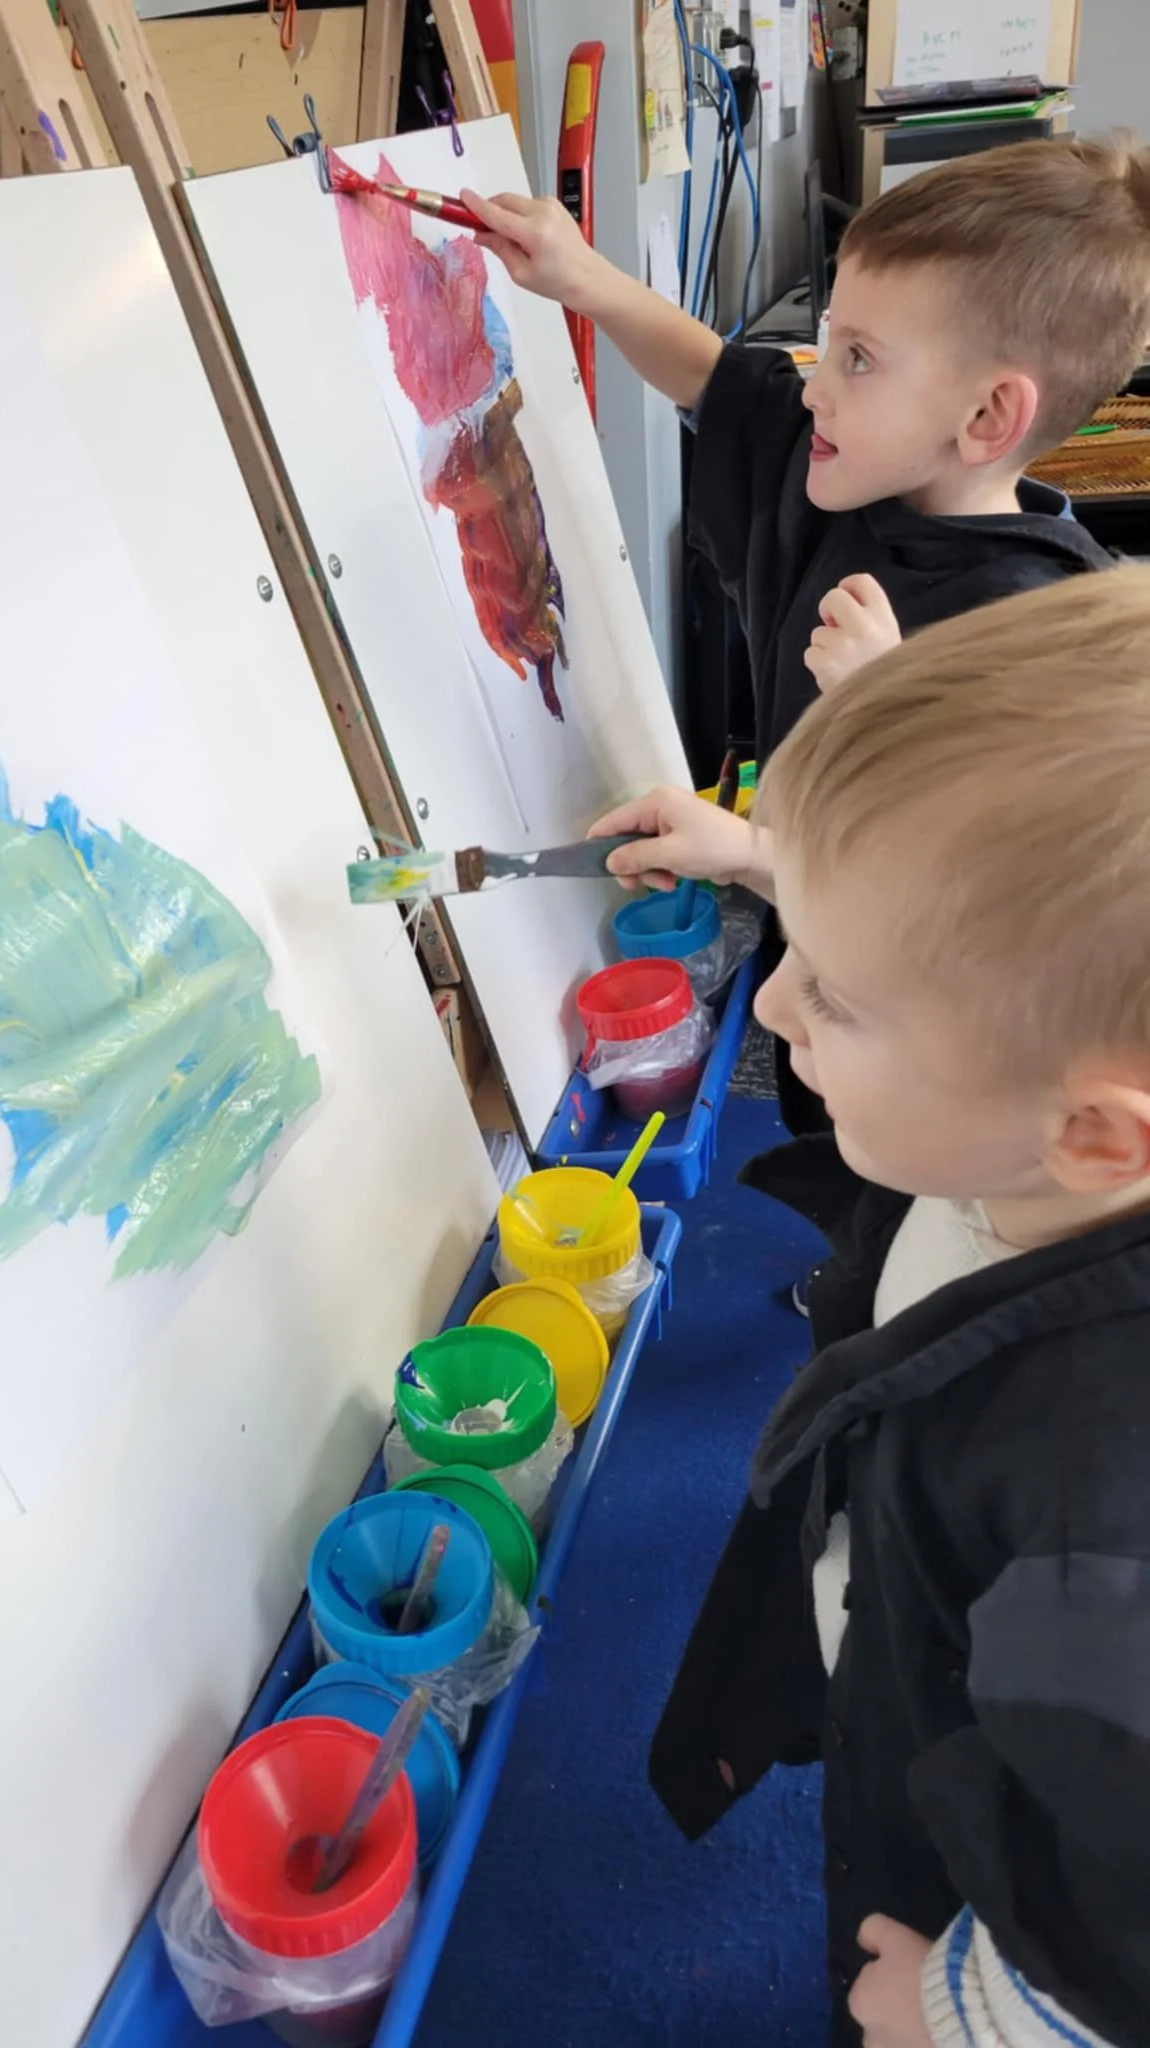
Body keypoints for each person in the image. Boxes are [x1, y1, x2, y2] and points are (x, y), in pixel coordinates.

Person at [645, 572, 1150, 2048]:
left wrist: (965, 2011)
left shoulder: (1097, 1512)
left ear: (1099, 1136)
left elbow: (1124, 1918)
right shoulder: (1027, 1150)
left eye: (838, 998)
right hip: (927, 1648)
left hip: (981, 1906)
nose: (782, 1014)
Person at [465, 138, 1146, 1158]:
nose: (817, 385)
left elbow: (959, 914)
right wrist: (581, 277)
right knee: (821, 1131)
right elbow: (714, 378)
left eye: (860, 358)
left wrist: (882, 712)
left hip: (942, 1072)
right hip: (817, 965)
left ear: (988, 414)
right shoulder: (849, 465)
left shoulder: (1032, 632)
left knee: (892, 1198)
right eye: (830, 342)